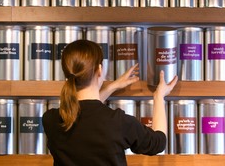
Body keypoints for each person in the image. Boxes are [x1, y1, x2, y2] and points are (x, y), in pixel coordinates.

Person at [42, 39, 178, 166]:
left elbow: (86, 111)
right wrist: (159, 96)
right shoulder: (118, 122)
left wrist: (113, 86)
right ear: (99, 70)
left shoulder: (51, 120)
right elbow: (158, 142)